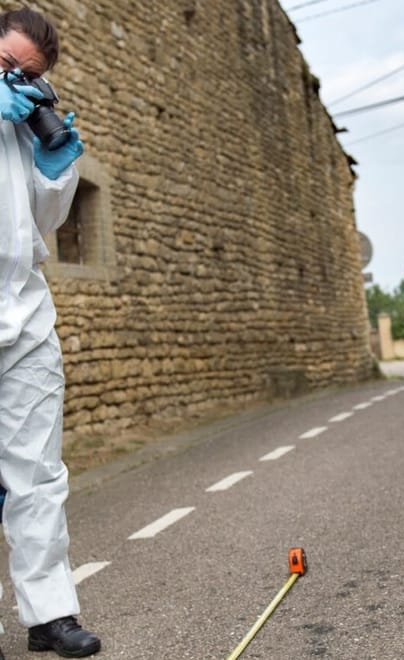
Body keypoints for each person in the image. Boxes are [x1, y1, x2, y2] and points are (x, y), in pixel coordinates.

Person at [0, 7, 100, 658]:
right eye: (5, 64)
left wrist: (56, 157)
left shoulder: (21, 122)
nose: (14, 79)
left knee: (37, 471)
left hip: (22, 306)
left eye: (26, 75)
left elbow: (44, 216)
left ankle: (49, 615)